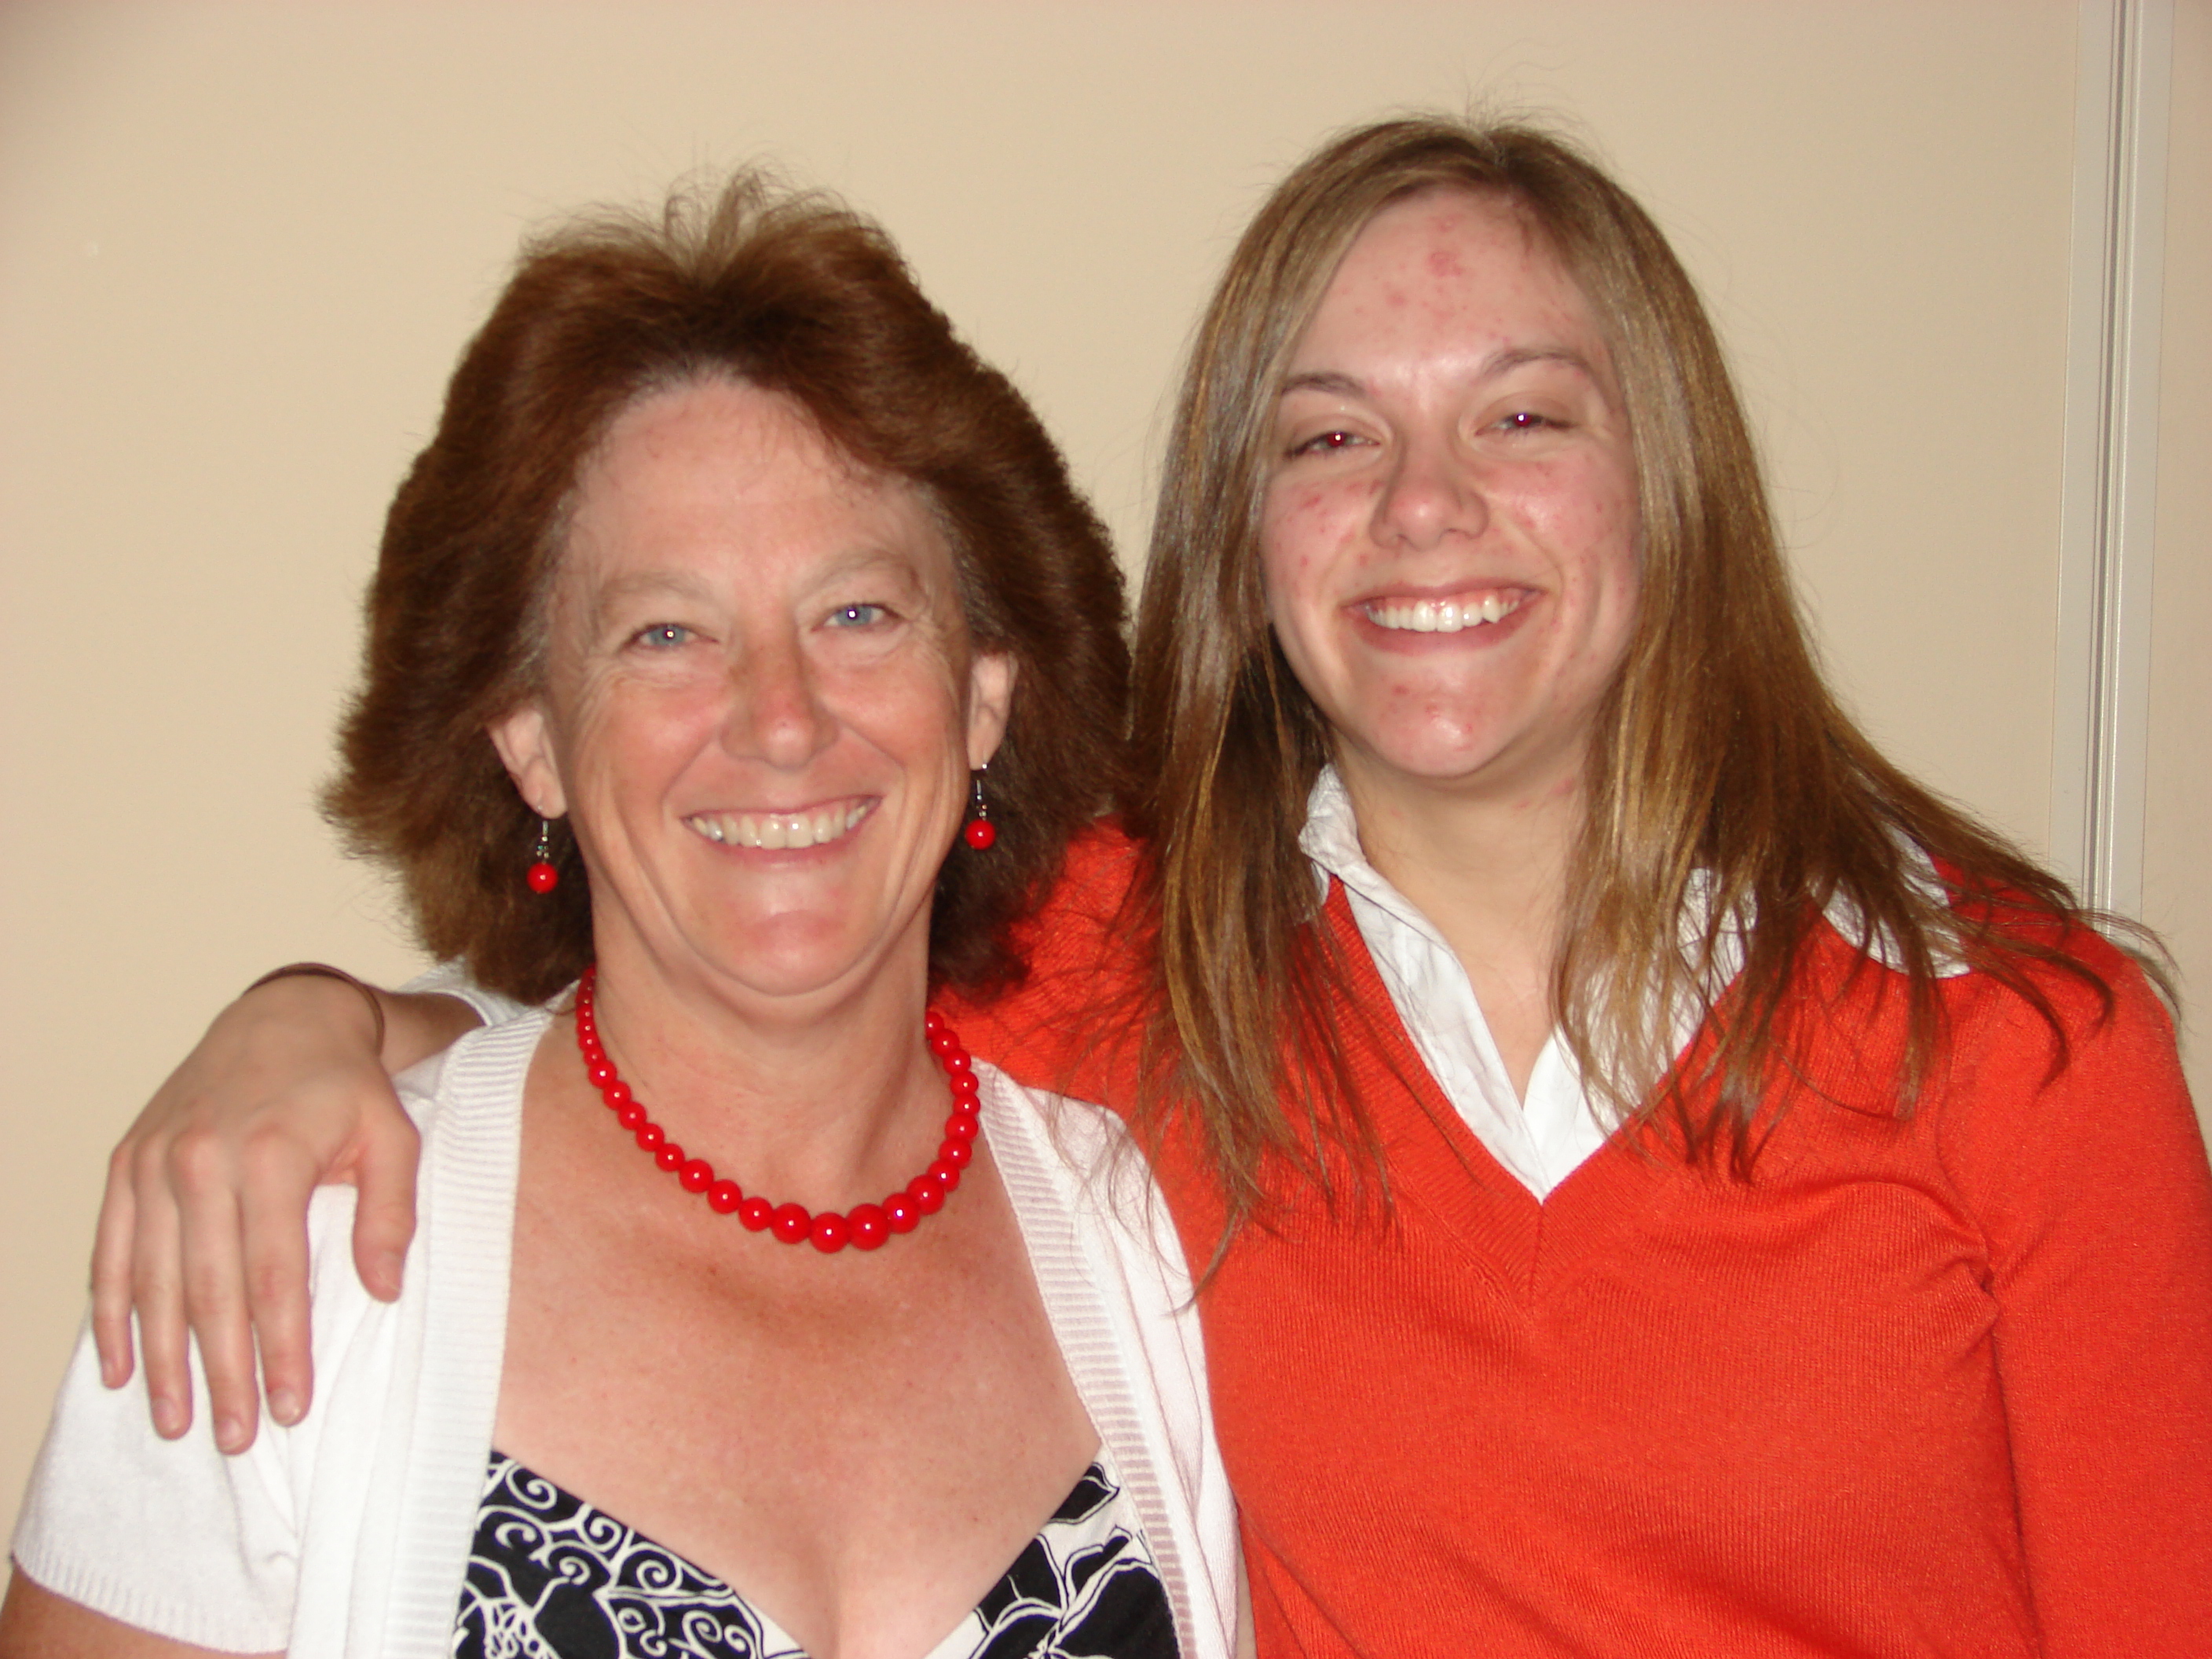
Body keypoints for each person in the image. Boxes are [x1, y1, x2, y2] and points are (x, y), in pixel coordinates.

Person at [64, 116, 2212, 1657]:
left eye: (1526, 419)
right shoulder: (1128, 969)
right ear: (1243, 528)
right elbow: (737, 995)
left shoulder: (2022, 1048)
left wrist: (322, 1022)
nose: (1425, 509)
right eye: (1329, 436)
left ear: (1672, 481)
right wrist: (323, 1025)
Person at [1, 172, 1238, 1658]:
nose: (780, 718)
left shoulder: (1129, 1237)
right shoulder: (290, 1245)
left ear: (983, 696)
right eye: (665, 633)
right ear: (530, 738)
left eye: (856, 614)